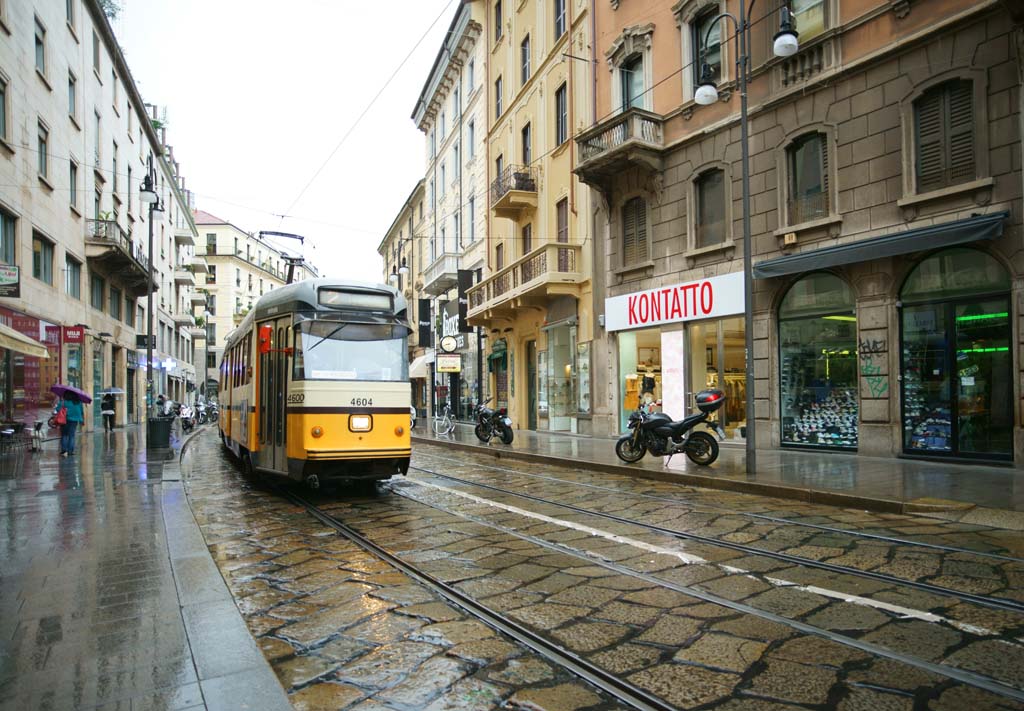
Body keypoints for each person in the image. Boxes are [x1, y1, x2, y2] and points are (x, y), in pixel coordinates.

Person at [55, 392, 85, 457]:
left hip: (64, 421)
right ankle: (70, 451)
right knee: (72, 436)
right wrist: (82, 420)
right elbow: (81, 412)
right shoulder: (78, 402)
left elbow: (57, 409)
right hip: (74, 421)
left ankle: (64, 451)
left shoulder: (63, 402)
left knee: (64, 435)